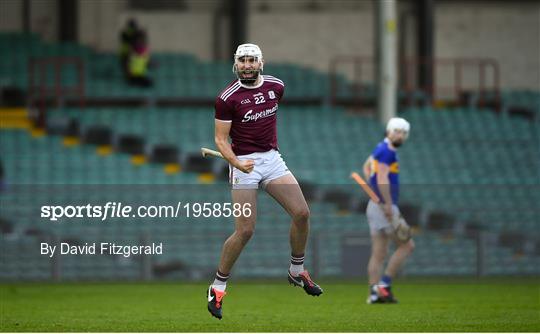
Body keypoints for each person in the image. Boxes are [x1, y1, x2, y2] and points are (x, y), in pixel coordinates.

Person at [207, 43, 323, 320]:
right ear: (236, 64)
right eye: (242, 60)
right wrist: (236, 162)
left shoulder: (276, 86)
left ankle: (297, 271)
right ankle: (217, 287)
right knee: (245, 231)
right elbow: (221, 139)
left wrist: (260, 156)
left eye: (252, 60)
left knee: (302, 213)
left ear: (261, 63)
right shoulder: (227, 97)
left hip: (271, 160)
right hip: (243, 163)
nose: (247, 65)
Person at [362, 117, 415, 304]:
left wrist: (373, 186)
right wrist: (387, 203)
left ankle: (374, 294)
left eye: (403, 132)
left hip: (375, 205)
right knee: (407, 245)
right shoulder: (387, 152)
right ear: (389, 131)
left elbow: (367, 167)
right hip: (384, 205)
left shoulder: (380, 148)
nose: (400, 135)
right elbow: (382, 176)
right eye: (397, 131)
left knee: (379, 253)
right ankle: (384, 286)